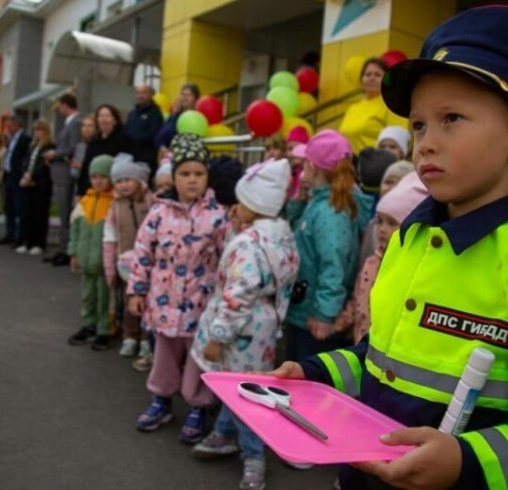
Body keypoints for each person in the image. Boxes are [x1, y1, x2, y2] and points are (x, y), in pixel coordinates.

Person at [271, 7, 508, 489]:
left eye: (451, 119)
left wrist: (467, 460)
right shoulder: (408, 236)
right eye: (419, 125)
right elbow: (383, 361)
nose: (425, 144)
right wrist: (316, 374)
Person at [190, 158, 300, 490]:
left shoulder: (247, 244)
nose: (236, 207)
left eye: (242, 202)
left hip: (241, 330)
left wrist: (218, 336)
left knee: (246, 395)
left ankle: (254, 457)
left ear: (253, 206)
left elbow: (237, 296)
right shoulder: (282, 237)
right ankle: (224, 433)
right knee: (239, 386)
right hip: (264, 327)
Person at [128, 133, 229, 443]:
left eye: (199, 174)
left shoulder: (217, 216)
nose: (192, 180)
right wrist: (136, 290)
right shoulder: (159, 212)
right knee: (164, 355)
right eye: (185, 174)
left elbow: (229, 259)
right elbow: (142, 251)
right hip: (162, 303)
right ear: (174, 177)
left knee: (197, 358)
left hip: (200, 304)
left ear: (207, 176)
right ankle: (161, 399)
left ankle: (198, 405)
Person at [284, 130, 372, 362]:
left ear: (312, 168)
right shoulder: (320, 201)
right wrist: (299, 199)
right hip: (304, 311)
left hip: (314, 320)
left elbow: (333, 266)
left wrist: (324, 314)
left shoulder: (330, 211)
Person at [335, 174, 428, 344]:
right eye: (380, 221)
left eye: (392, 223)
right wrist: (342, 321)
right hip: (361, 347)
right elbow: (358, 298)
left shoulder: (413, 271)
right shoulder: (372, 262)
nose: (383, 230)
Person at [101, 153, 154, 356]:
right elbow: (109, 239)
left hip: (150, 263)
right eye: (119, 181)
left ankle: (145, 338)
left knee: (148, 302)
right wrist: (109, 269)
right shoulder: (115, 207)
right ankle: (129, 336)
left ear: (138, 179)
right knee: (128, 301)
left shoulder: (151, 201)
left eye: (127, 180)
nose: (123, 185)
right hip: (126, 265)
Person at [66, 155, 117, 350]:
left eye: (103, 176)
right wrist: (74, 253)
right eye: (94, 176)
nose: (98, 181)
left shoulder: (114, 203)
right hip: (86, 260)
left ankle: (105, 329)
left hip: (105, 264)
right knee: (87, 295)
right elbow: (75, 230)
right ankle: (88, 324)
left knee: (106, 298)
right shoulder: (84, 202)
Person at [42, 94, 83, 267]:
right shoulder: (69, 122)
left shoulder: (76, 123)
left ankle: (66, 250)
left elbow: (73, 147)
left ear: (66, 105)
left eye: (60, 106)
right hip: (60, 172)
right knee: (62, 212)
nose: (59, 110)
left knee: (66, 212)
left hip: (66, 174)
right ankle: (62, 247)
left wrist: (55, 153)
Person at [338, 57, 408, 155]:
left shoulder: (392, 105)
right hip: (350, 165)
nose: (372, 78)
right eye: (368, 74)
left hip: (376, 164)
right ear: (362, 79)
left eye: (377, 75)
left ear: (386, 79)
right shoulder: (353, 108)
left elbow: (398, 141)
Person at [16, 120, 55, 256]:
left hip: (41, 185)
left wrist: (32, 177)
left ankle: (38, 242)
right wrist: (25, 174)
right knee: (26, 213)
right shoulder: (32, 146)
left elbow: (45, 166)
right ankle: (24, 240)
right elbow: (25, 162)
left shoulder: (50, 146)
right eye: (36, 130)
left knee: (39, 214)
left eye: (40, 130)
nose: (37, 133)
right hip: (27, 182)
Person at [76, 104, 130, 197]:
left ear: (115, 120)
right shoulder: (94, 141)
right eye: (100, 116)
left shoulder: (124, 140)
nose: (103, 119)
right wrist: (80, 192)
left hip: (114, 191)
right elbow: (86, 168)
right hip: (92, 190)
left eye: (107, 116)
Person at [0, 116, 31, 245]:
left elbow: (25, 158)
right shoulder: (10, 140)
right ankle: (10, 234)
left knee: (19, 207)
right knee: (8, 206)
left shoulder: (25, 139)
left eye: (10, 126)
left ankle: (20, 236)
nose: (7, 128)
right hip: (8, 176)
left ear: (17, 125)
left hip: (17, 177)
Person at [125, 84, 164, 173]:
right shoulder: (132, 113)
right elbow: (126, 129)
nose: (140, 96)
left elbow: (154, 133)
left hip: (147, 158)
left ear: (151, 95)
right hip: (131, 157)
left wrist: (134, 138)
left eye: (143, 93)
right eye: (138, 93)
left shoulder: (155, 113)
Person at [154, 82, 200, 152]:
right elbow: (159, 137)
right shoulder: (174, 115)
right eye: (183, 94)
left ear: (195, 99)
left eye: (188, 95)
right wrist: (163, 148)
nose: (185, 97)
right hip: (168, 155)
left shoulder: (197, 118)